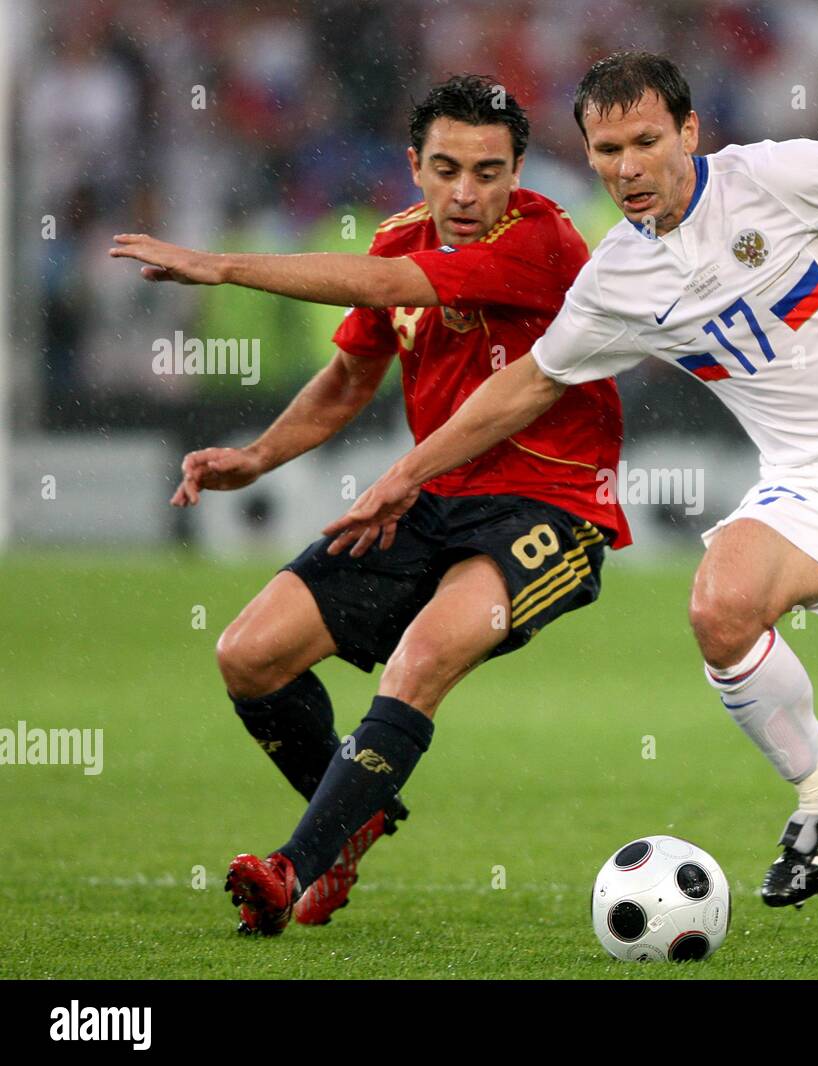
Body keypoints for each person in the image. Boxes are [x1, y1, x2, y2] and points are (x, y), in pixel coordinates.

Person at [114, 52, 818, 941]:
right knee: (716, 605)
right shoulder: (616, 278)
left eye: (646, 145)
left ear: (689, 132)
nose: (628, 170)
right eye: (608, 153)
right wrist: (396, 475)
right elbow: (518, 387)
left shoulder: (776, 177)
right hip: (807, 479)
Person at [112, 75, 630, 935]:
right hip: (431, 497)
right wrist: (257, 456)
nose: (468, 193)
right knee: (249, 655)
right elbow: (352, 374)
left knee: (419, 662)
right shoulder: (398, 238)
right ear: (414, 165)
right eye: (448, 168)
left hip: (551, 509)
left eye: (490, 172)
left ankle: (293, 868)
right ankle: (354, 811)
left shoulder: (542, 240)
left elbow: (399, 287)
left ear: (520, 172)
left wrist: (225, 266)